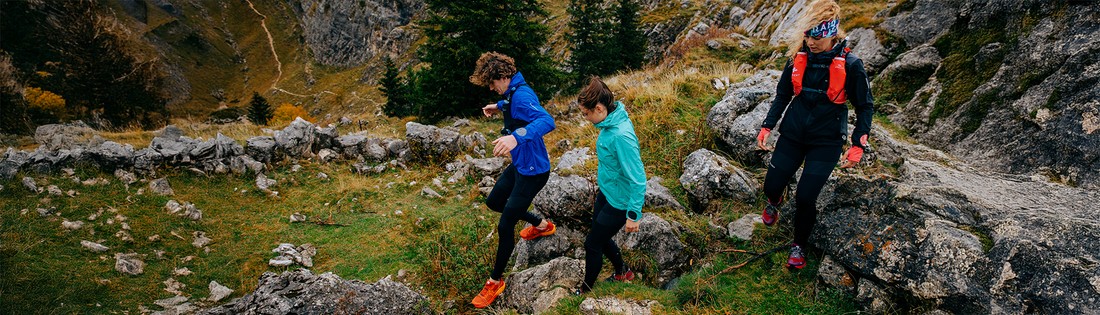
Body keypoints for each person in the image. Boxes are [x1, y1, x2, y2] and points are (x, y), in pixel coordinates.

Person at [756, 0, 874, 269]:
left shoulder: (852, 65)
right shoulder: (797, 58)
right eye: (807, 34)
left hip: (827, 140)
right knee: (771, 185)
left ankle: (798, 246)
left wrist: (858, 144)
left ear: (832, 33)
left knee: (806, 197)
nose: (810, 41)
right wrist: (767, 126)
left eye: (817, 36)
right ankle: (774, 200)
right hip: (793, 133)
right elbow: (783, 94)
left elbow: (865, 106)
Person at [467, 52, 558, 308]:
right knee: (495, 202)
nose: (490, 87)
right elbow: (511, 103)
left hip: (533, 173)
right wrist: (497, 106)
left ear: (504, 76)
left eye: (492, 83)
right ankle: (542, 225)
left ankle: (495, 282)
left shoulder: (522, 94)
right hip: (520, 165)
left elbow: (546, 121)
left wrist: (516, 137)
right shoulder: (512, 91)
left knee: (505, 227)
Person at [575, 76, 646, 294]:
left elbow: (638, 178)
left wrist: (633, 213)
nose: (585, 118)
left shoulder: (621, 135)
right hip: (608, 192)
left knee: (592, 244)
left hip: (620, 201)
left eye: (586, 113)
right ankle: (623, 272)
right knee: (600, 236)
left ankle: (586, 290)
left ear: (598, 108)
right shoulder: (612, 121)